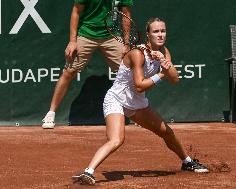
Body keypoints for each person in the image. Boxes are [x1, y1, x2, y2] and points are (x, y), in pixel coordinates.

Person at [71, 18, 209, 185]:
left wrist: (166, 64)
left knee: (166, 132)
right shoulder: (138, 54)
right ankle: (88, 172)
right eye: (156, 31)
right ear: (148, 35)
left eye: (163, 31)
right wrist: (161, 74)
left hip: (137, 103)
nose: (160, 35)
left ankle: (187, 162)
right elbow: (139, 86)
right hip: (116, 99)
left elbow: (175, 79)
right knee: (116, 140)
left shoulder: (164, 51)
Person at [42, 0, 133, 129]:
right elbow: (76, 11)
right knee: (69, 72)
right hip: (86, 34)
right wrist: (72, 41)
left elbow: (126, 15)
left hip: (111, 35)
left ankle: (138, 112)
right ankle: (51, 113)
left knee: (128, 72)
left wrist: (126, 44)